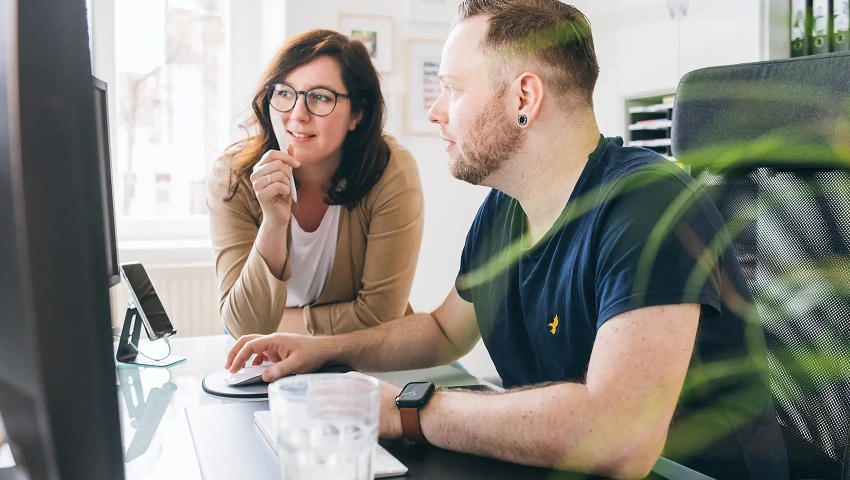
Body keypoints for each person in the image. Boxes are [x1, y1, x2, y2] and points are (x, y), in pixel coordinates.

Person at [225, 2, 789, 479]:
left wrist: (406, 410)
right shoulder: (505, 211)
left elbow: (621, 436)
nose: (435, 110)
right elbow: (444, 331)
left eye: (452, 89)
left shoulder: (648, 203)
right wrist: (323, 351)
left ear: (524, 97)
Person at [207, 30, 424, 338]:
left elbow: (379, 318)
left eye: (320, 97)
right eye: (284, 93)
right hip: (269, 365)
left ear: (357, 114)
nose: (297, 115)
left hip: (364, 364)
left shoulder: (390, 170)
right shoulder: (233, 176)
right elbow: (243, 326)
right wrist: (273, 223)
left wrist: (281, 327)